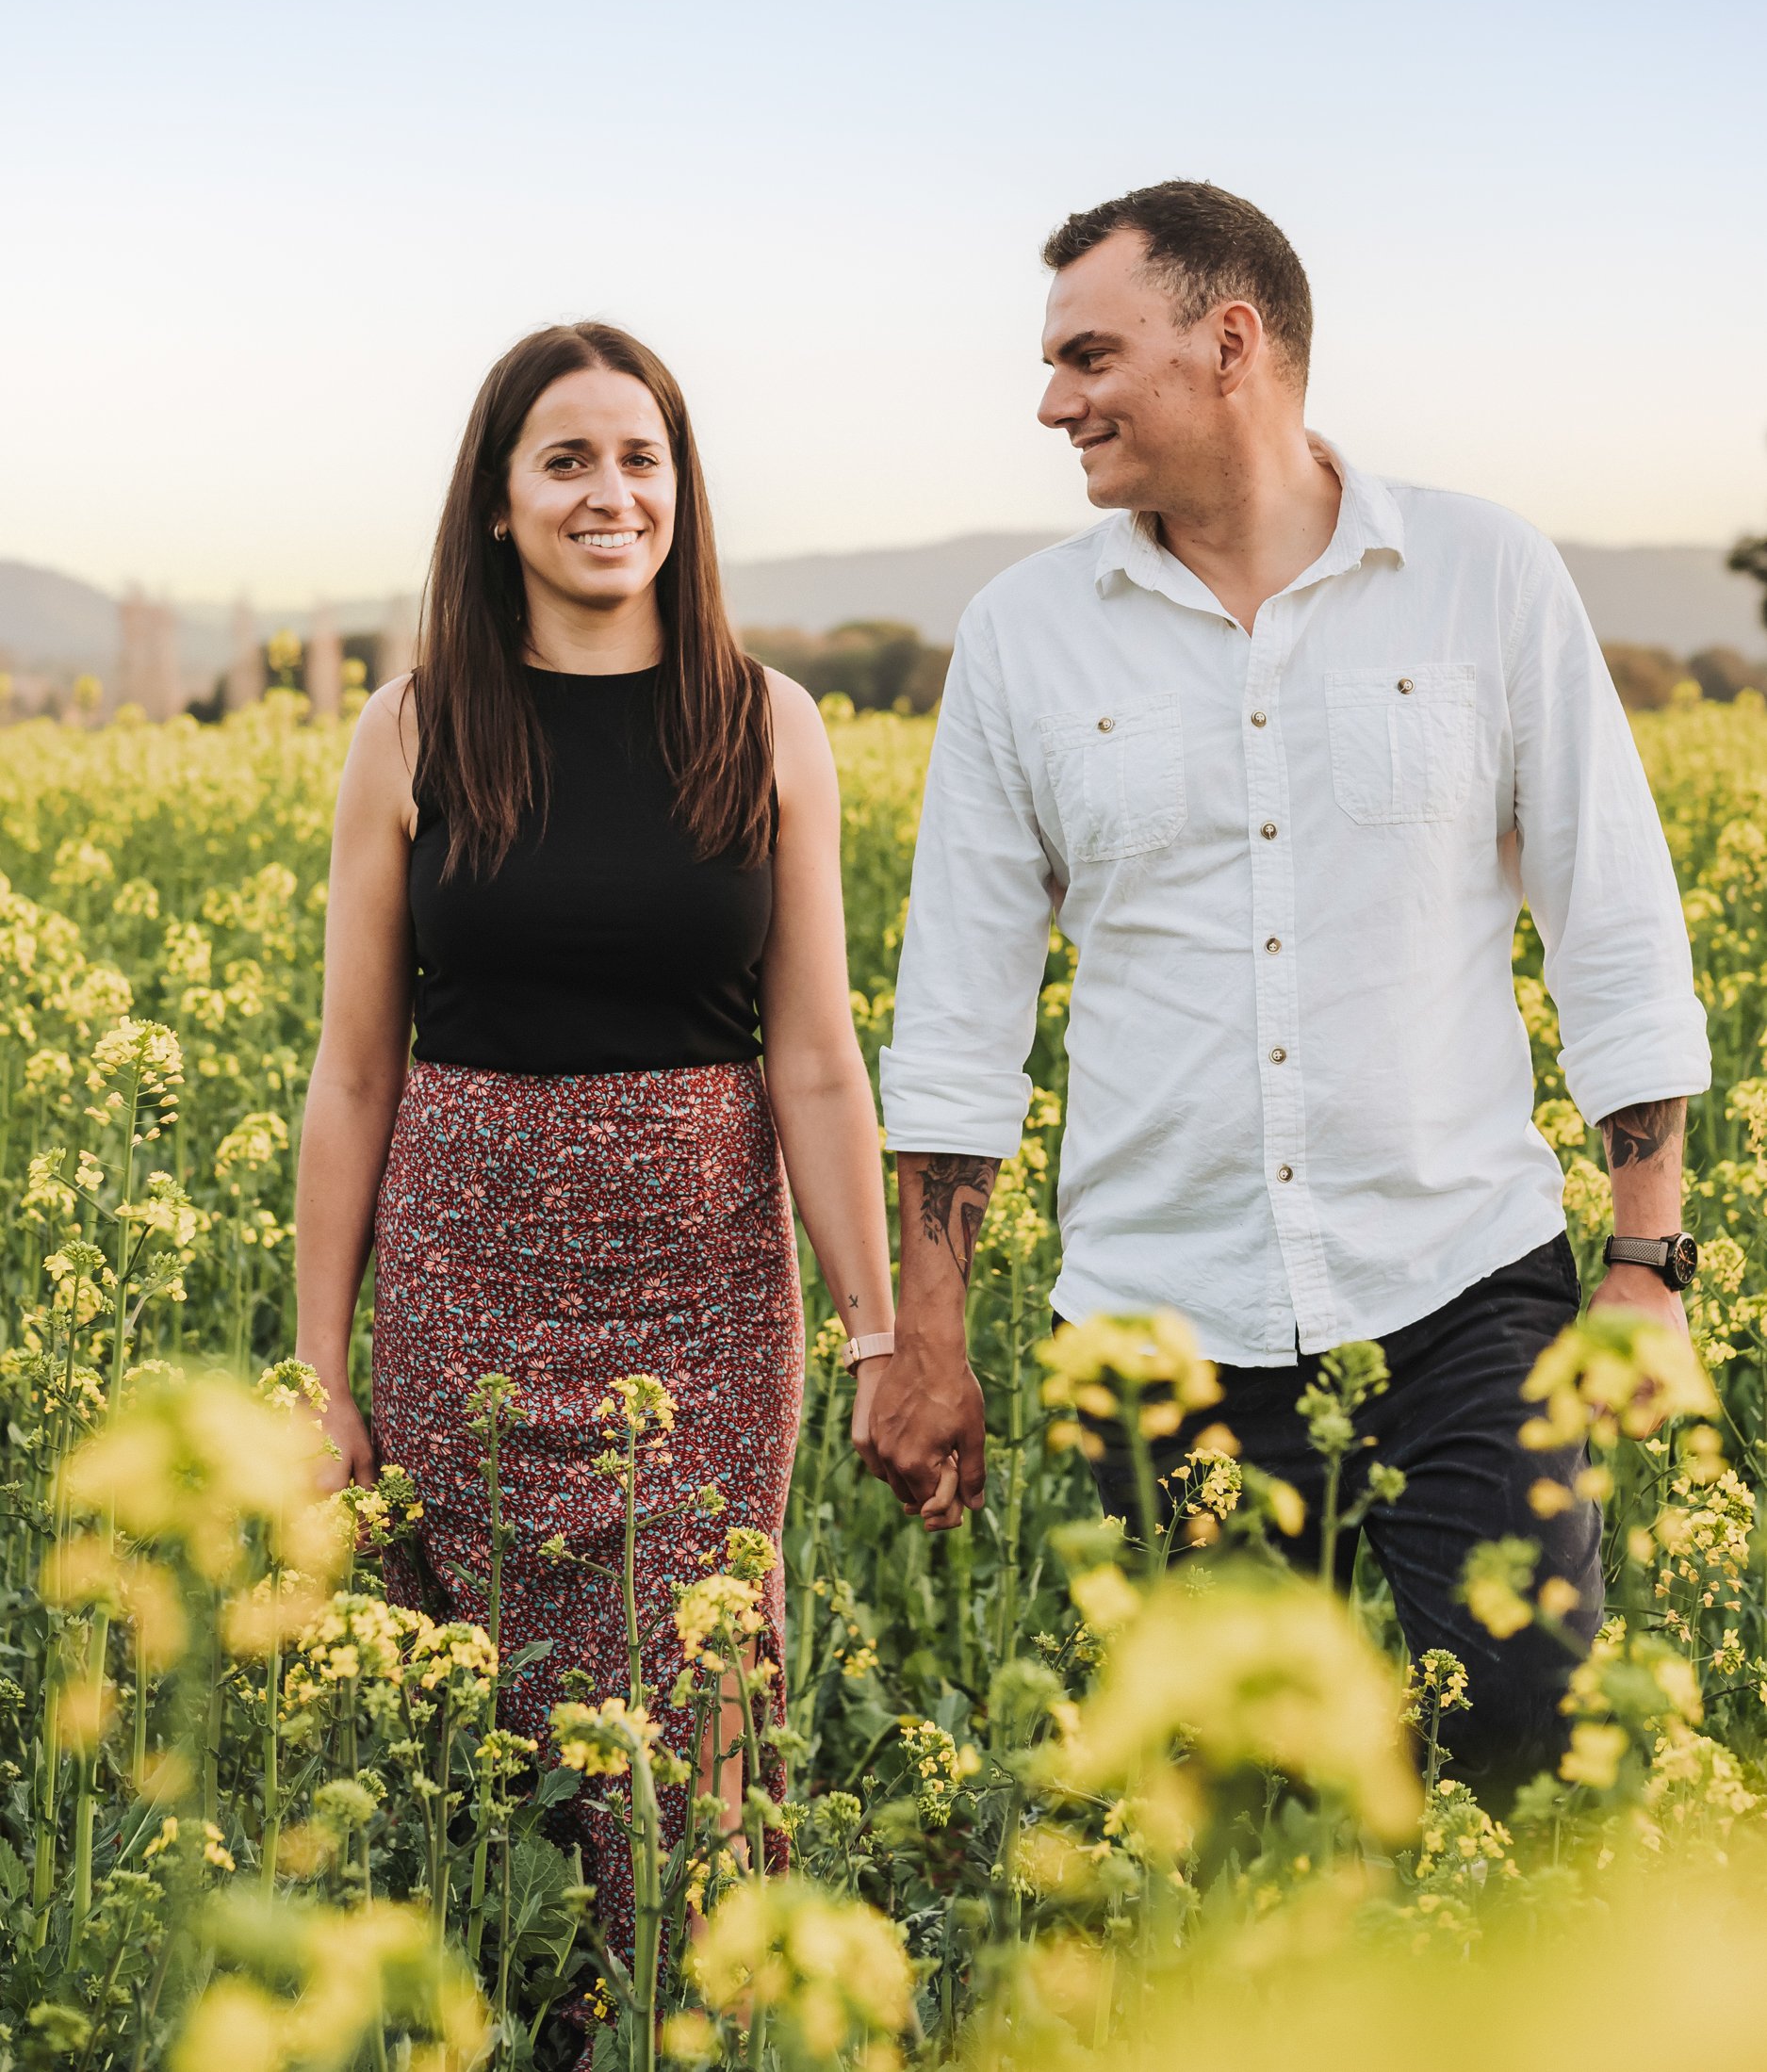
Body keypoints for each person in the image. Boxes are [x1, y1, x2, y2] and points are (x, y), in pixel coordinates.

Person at [870, 181, 1710, 1788]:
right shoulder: (1021, 636)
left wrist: (1647, 1264)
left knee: (1534, 1763)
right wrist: (932, 1339)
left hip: (1463, 1293)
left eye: (1089, 356)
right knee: (1228, 1827)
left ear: (1229, 342)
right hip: (1160, 1335)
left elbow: (1614, 922)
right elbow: (961, 1012)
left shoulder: (1487, 575)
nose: (1054, 402)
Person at [293, 321, 896, 1947]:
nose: (610, 493)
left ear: (682, 491)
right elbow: (356, 1076)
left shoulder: (768, 722)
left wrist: (873, 1335)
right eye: (566, 459)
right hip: (459, 1306)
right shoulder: (413, 731)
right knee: (473, 1778)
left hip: (702, 1311)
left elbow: (817, 1060)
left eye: (643, 458)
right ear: (497, 503)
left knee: (692, 1775)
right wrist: (323, 1375)